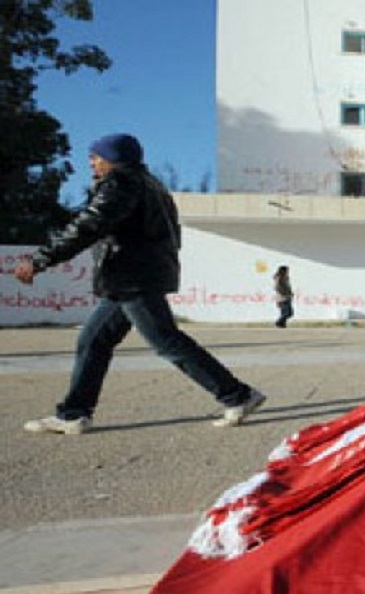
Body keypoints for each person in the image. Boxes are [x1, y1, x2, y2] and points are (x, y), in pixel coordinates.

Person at [14, 133, 266, 435]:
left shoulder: (121, 183)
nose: (91, 164)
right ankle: (73, 414)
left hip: (132, 277)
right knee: (93, 341)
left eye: (96, 157)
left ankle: (237, 395)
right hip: (131, 277)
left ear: (113, 159)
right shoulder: (151, 184)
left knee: (166, 341)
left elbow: (88, 225)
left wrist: (41, 259)